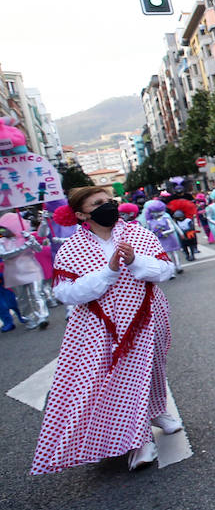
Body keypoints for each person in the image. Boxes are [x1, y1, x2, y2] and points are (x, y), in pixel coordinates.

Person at [31, 186, 180, 473]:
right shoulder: (72, 249)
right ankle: (139, 440)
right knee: (122, 379)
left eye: (109, 201)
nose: (108, 206)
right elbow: (66, 293)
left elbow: (165, 270)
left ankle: (157, 412)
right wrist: (109, 271)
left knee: (152, 368)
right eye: (98, 203)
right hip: (101, 326)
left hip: (148, 314)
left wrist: (136, 261)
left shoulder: (138, 233)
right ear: (80, 214)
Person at [0, 212, 49, 329]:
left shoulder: (26, 235)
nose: (4, 231)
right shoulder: (2, 242)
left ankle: (43, 317)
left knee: (37, 293)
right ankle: (29, 319)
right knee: (22, 298)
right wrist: (24, 246)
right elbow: (4, 255)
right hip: (14, 272)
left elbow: (38, 249)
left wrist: (32, 240)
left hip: (31, 268)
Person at [142, 200, 184, 275]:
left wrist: (179, 232)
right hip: (161, 241)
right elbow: (149, 231)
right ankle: (171, 270)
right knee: (167, 255)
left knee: (174, 253)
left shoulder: (166, 217)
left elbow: (173, 226)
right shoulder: (150, 222)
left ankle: (178, 266)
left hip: (170, 238)